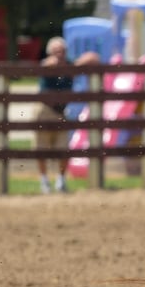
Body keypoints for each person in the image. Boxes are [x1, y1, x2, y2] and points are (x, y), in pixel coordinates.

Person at [34, 37, 100, 193]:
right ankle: (44, 181)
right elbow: (47, 65)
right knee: (41, 148)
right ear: (50, 53)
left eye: (62, 51)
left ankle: (61, 181)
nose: (60, 54)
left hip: (61, 112)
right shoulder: (47, 65)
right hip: (45, 111)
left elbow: (92, 57)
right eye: (56, 51)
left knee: (64, 149)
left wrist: (78, 63)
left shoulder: (70, 66)